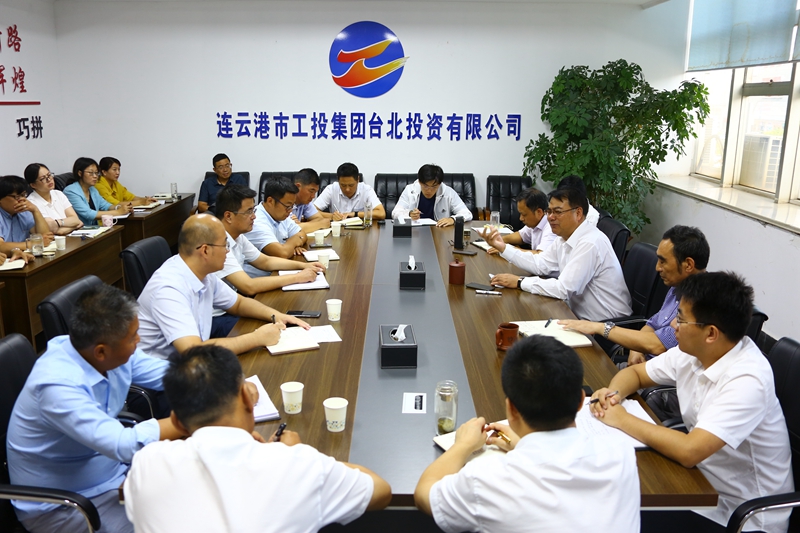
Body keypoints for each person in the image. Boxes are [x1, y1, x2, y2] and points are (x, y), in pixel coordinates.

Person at [590, 271, 794, 533]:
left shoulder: (748, 379)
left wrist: (621, 418)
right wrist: (613, 395)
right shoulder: (695, 351)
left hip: (743, 516)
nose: (674, 325)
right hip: (699, 485)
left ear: (711, 333)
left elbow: (689, 451)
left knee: (617, 518)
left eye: (681, 319)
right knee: (612, 503)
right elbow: (637, 374)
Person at [124, 344, 392, 532]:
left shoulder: (146, 464)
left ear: (176, 422)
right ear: (246, 397)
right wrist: (298, 452)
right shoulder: (298, 465)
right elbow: (380, 491)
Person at [6, 284, 186, 533]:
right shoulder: (57, 384)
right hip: (65, 505)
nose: (139, 340)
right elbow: (122, 444)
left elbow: (169, 374)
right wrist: (184, 421)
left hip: (112, 473)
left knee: (191, 495)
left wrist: (222, 382)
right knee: (172, 523)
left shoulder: (105, 350)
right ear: (101, 351)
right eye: (133, 337)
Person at [414, 335, 640, 533]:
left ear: (511, 409)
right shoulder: (621, 456)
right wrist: (522, 444)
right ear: (581, 401)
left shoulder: (486, 481)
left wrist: (462, 445)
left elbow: (424, 493)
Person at [136, 213, 308, 360]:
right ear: (205, 250)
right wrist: (257, 338)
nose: (228, 251)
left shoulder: (203, 273)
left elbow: (238, 303)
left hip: (192, 364)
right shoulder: (169, 289)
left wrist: (277, 316)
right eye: (225, 245)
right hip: (162, 377)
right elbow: (193, 351)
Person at [559, 225, 709, 367]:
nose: (657, 267)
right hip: (643, 366)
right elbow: (652, 325)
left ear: (688, 265)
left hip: (659, 378)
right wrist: (636, 349)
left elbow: (658, 345)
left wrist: (600, 327)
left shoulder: (702, 303)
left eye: (663, 261)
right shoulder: (677, 286)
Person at [484, 186, 632, 321]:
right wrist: (503, 248)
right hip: (576, 316)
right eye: (549, 211)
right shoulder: (563, 237)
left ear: (578, 213)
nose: (550, 217)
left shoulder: (590, 242)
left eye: (558, 212)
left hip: (606, 325)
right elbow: (540, 264)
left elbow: (563, 289)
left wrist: (520, 282)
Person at [215, 184, 325, 297]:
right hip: (223, 305)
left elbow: (265, 261)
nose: (254, 216)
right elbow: (248, 286)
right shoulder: (216, 244)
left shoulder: (238, 237)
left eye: (253, 210)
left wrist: (304, 266)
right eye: (248, 212)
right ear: (228, 216)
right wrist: (298, 277)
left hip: (232, 299)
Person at [245, 176, 308, 259]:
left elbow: (302, 234)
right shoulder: (256, 222)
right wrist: (292, 245)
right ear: (270, 201)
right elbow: (282, 254)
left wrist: (290, 246)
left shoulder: (280, 214)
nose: (290, 211)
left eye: (292, 206)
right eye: (288, 206)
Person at [391, 164, 472, 227]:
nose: (429, 190)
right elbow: (395, 213)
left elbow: (467, 213)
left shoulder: (448, 192)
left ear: (439, 184)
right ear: (419, 182)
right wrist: (409, 214)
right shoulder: (410, 190)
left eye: (434, 186)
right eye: (425, 186)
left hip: (439, 231)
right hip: (414, 231)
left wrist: (452, 219)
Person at [63, 157, 133, 226]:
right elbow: (88, 214)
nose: (95, 176)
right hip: (80, 229)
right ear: (80, 173)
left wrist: (119, 207)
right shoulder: (70, 191)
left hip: (94, 229)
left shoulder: (92, 189)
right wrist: (118, 212)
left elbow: (105, 205)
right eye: (91, 173)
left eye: (96, 173)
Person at [486, 187, 556, 255]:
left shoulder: (551, 227)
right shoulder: (535, 223)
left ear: (539, 212)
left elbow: (540, 255)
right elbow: (520, 236)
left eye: (524, 214)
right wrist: (497, 240)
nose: (521, 218)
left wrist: (505, 249)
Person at [0, 175, 52, 260]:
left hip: (25, 258)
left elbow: (45, 237)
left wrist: (35, 210)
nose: (22, 200)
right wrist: (32, 244)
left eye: (23, 195)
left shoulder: (24, 211)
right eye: (17, 197)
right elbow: (1, 246)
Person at [24, 163, 83, 235]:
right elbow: (53, 230)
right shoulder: (32, 203)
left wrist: (58, 223)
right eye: (43, 179)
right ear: (33, 185)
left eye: (49, 175)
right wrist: (73, 226)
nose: (49, 180)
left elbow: (75, 219)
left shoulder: (58, 193)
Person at [314, 162, 385, 221]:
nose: (347, 189)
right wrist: (332, 216)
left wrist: (355, 214)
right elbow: (311, 212)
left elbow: (381, 213)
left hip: (360, 231)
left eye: (351, 185)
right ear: (338, 180)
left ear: (358, 180)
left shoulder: (366, 190)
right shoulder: (331, 189)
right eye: (343, 185)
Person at [290, 168, 330, 234]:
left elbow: (319, 219)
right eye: (311, 191)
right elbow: (291, 229)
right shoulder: (284, 201)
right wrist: (320, 224)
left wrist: (302, 225)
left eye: (315, 192)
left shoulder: (305, 202)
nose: (313, 196)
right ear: (297, 187)